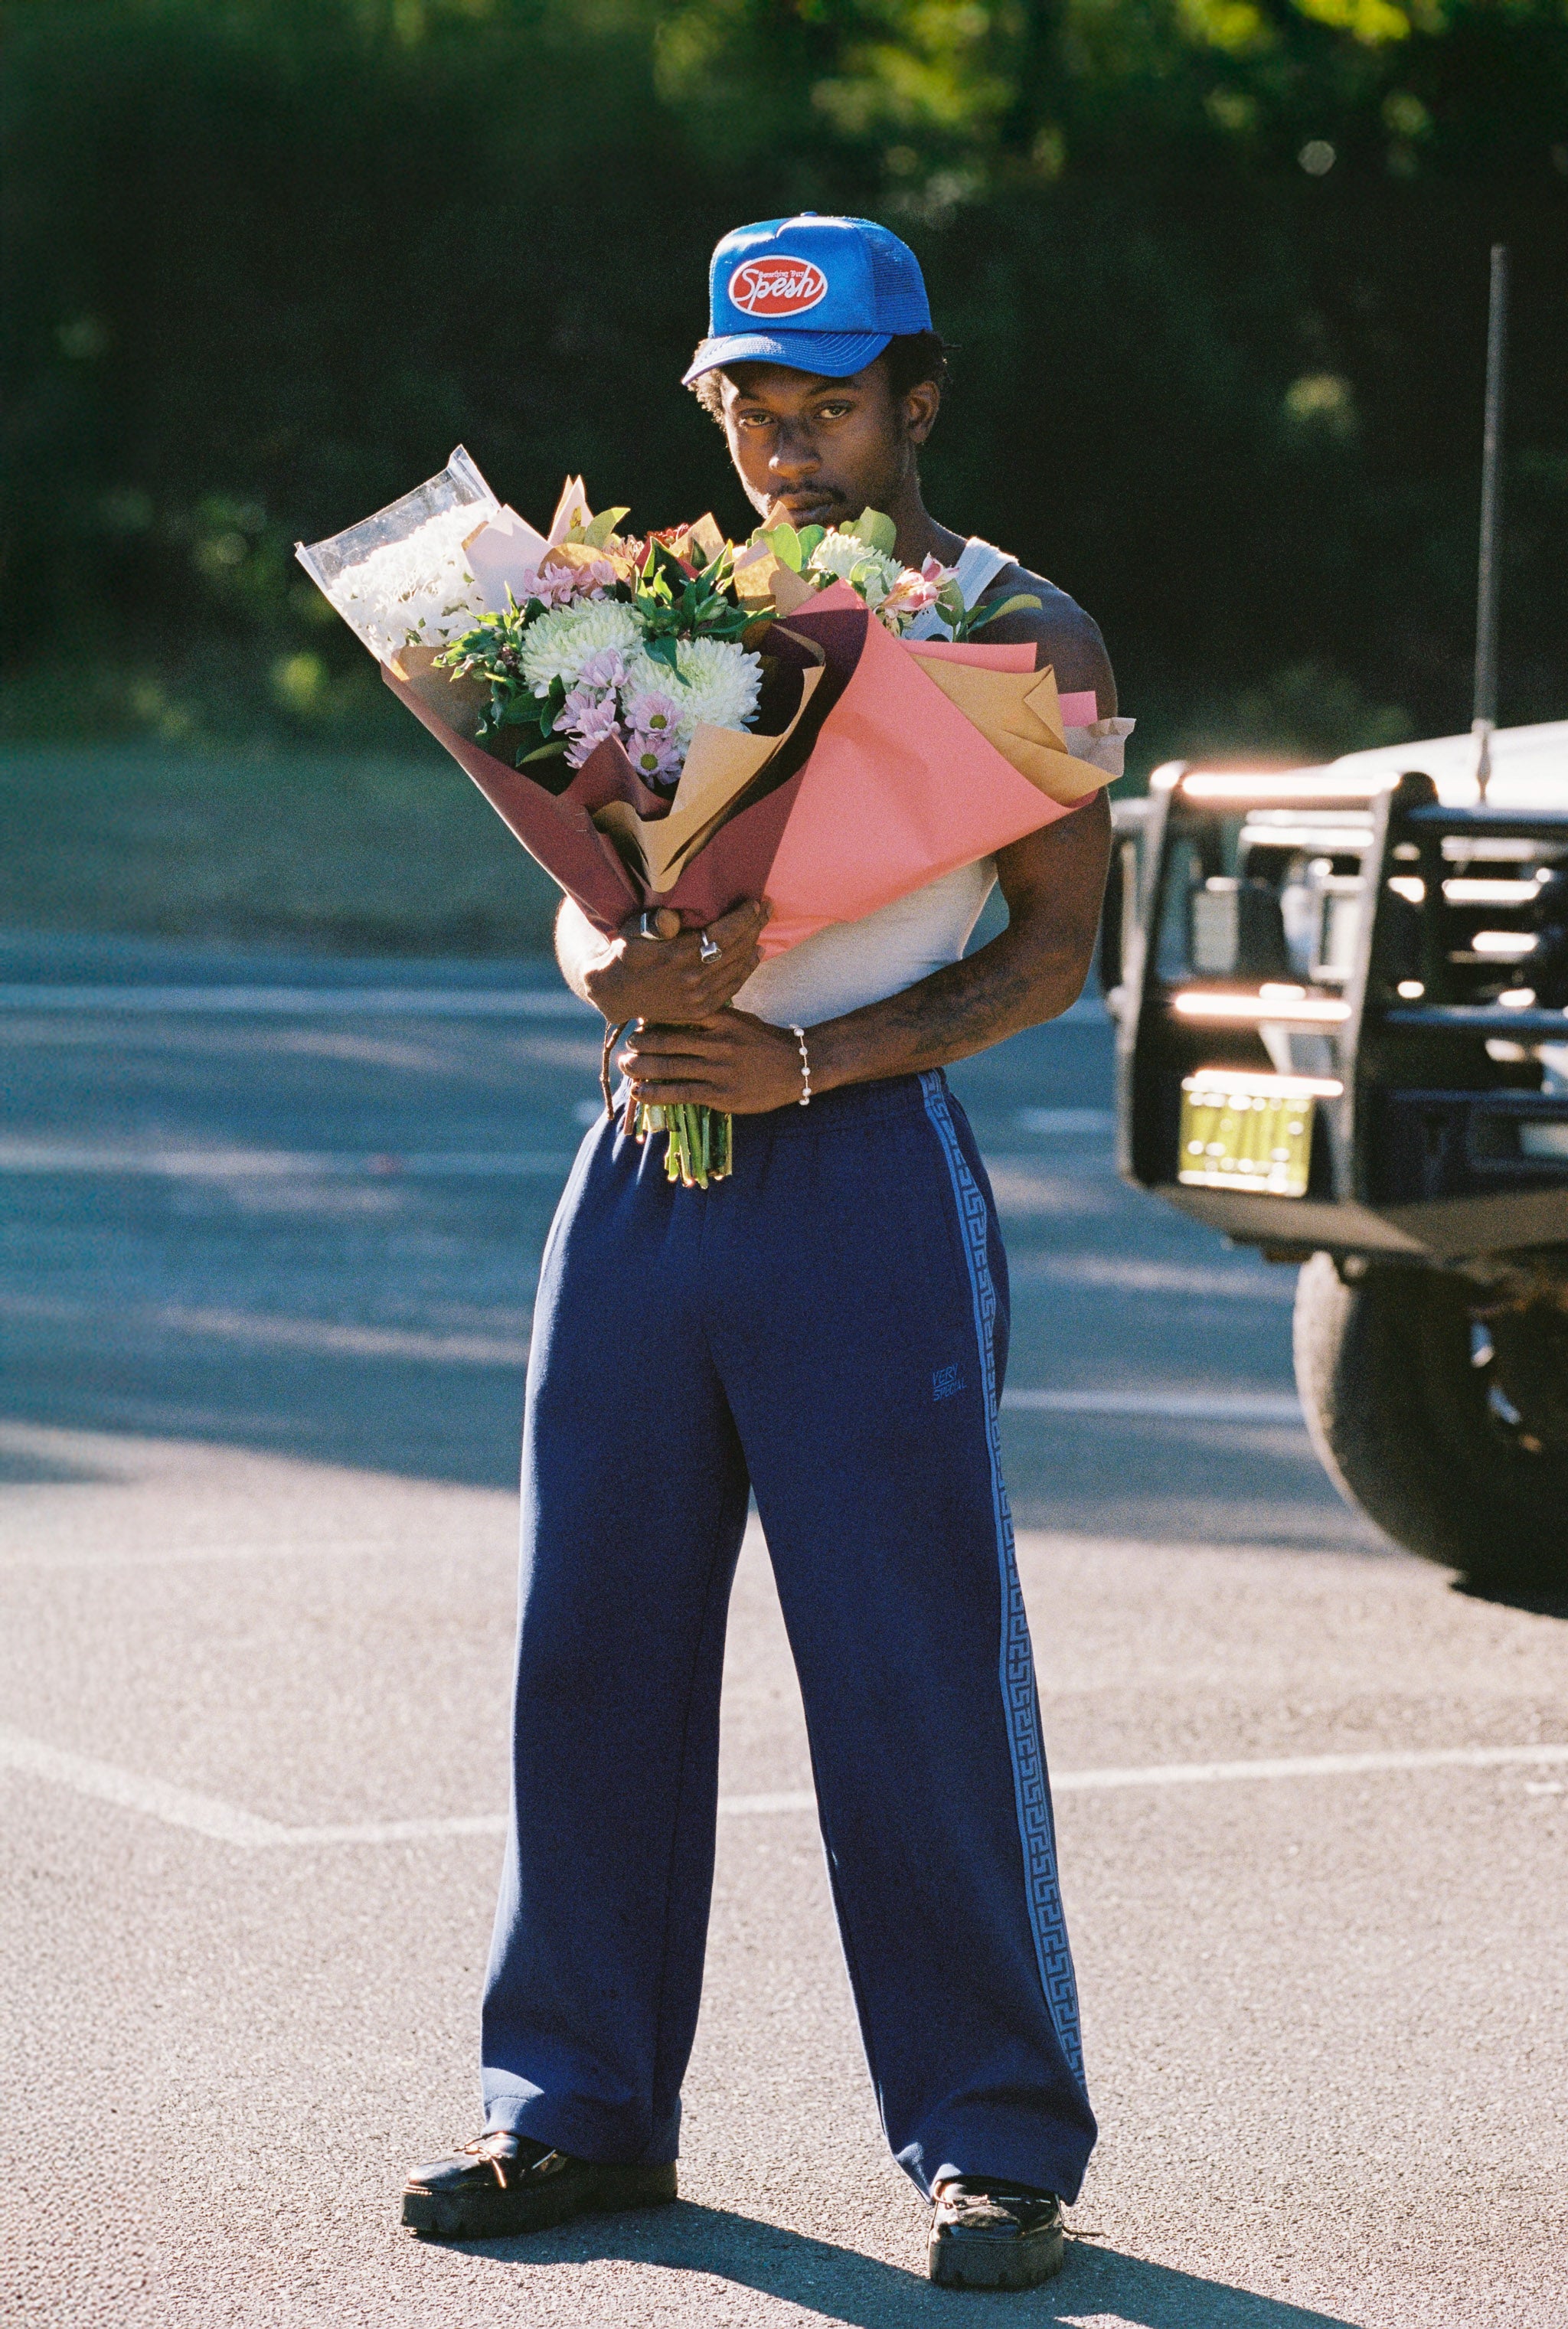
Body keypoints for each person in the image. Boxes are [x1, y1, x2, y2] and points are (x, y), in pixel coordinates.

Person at [403, 213, 1115, 2293]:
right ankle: (577, 2107)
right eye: (751, 405)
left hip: (870, 1170)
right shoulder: (653, 611)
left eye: (828, 402)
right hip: (642, 1163)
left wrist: (807, 1057)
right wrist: (619, 959)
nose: (790, 444)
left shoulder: (1019, 623)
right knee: (588, 1641)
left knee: (910, 1667)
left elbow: (1056, 951)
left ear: (921, 394)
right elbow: (588, 886)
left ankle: (995, 2136)